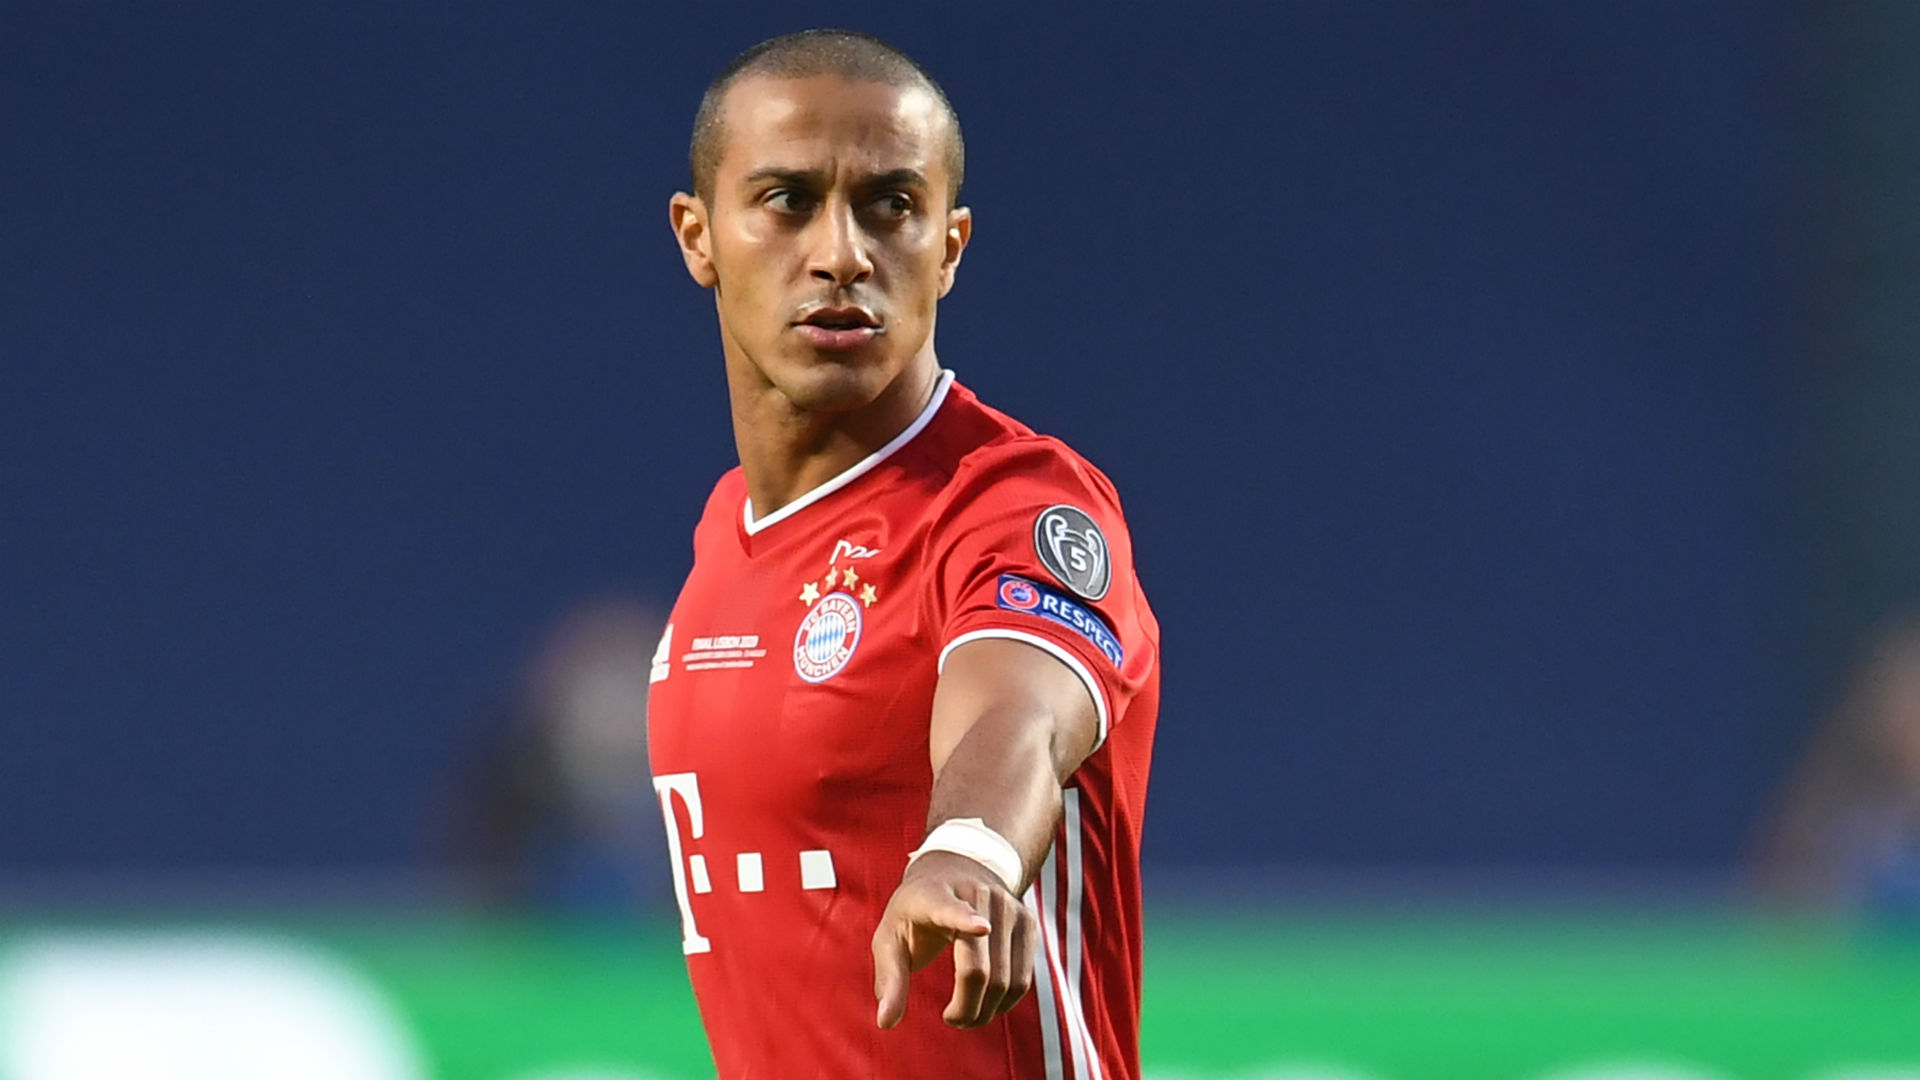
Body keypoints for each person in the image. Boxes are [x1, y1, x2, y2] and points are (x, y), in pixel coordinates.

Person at [647, 29, 1160, 1079]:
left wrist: (967, 852)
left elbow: (1021, 716)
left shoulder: (1011, 504)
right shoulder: (727, 534)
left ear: (950, 247)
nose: (842, 253)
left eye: (891, 205)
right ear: (698, 237)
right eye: (788, 200)